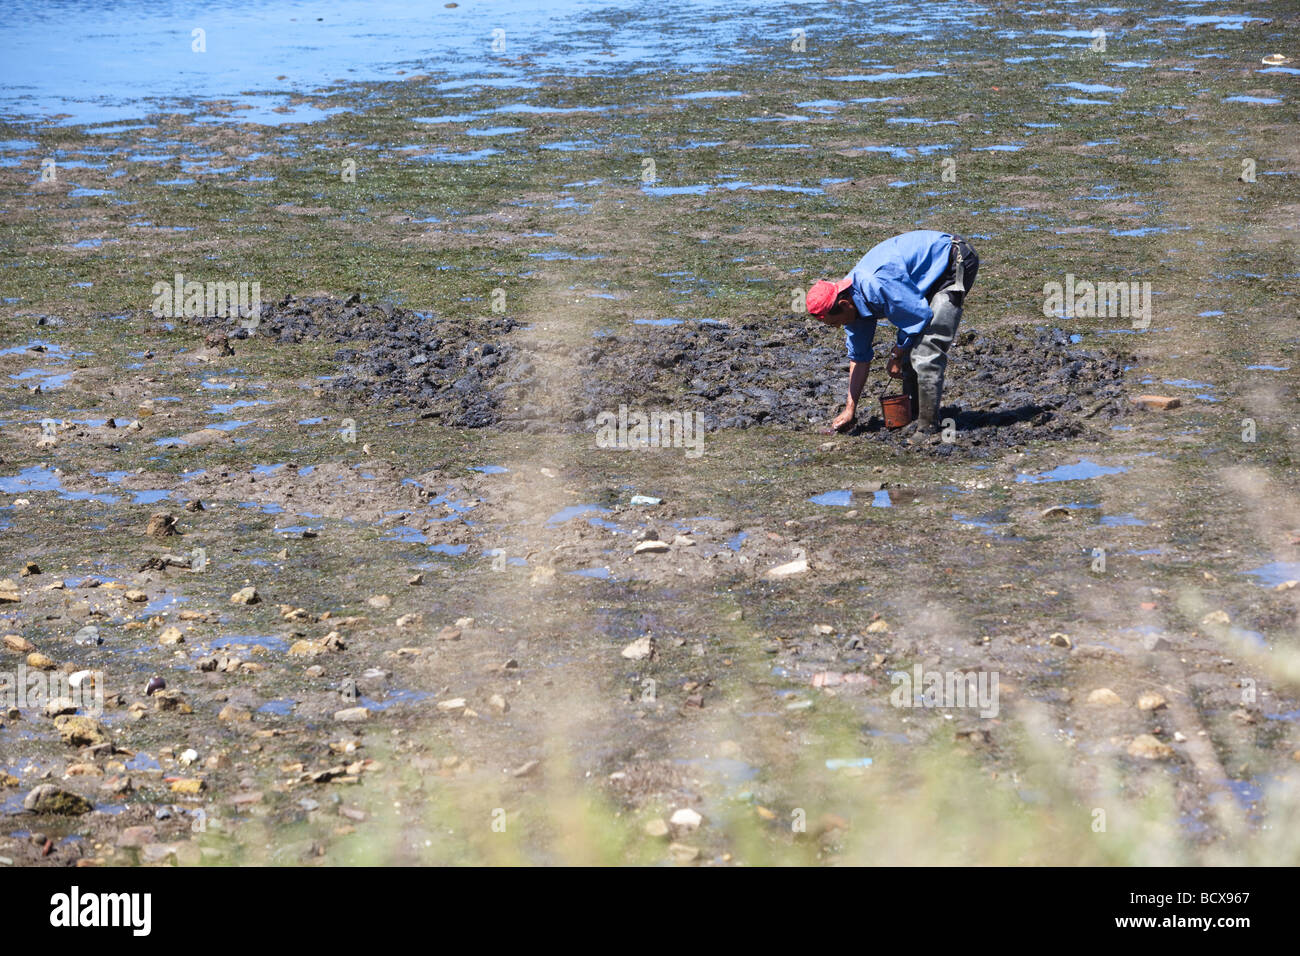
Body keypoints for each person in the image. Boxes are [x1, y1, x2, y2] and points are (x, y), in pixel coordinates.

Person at [806, 230, 979, 434]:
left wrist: (896, 354)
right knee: (909, 346)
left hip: (952, 260)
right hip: (920, 278)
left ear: (844, 304)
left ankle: (927, 428)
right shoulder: (850, 307)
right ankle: (913, 414)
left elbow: (918, 316)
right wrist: (850, 409)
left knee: (926, 350)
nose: (837, 327)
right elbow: (859, 358)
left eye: (835, 322)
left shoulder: (875, 285)